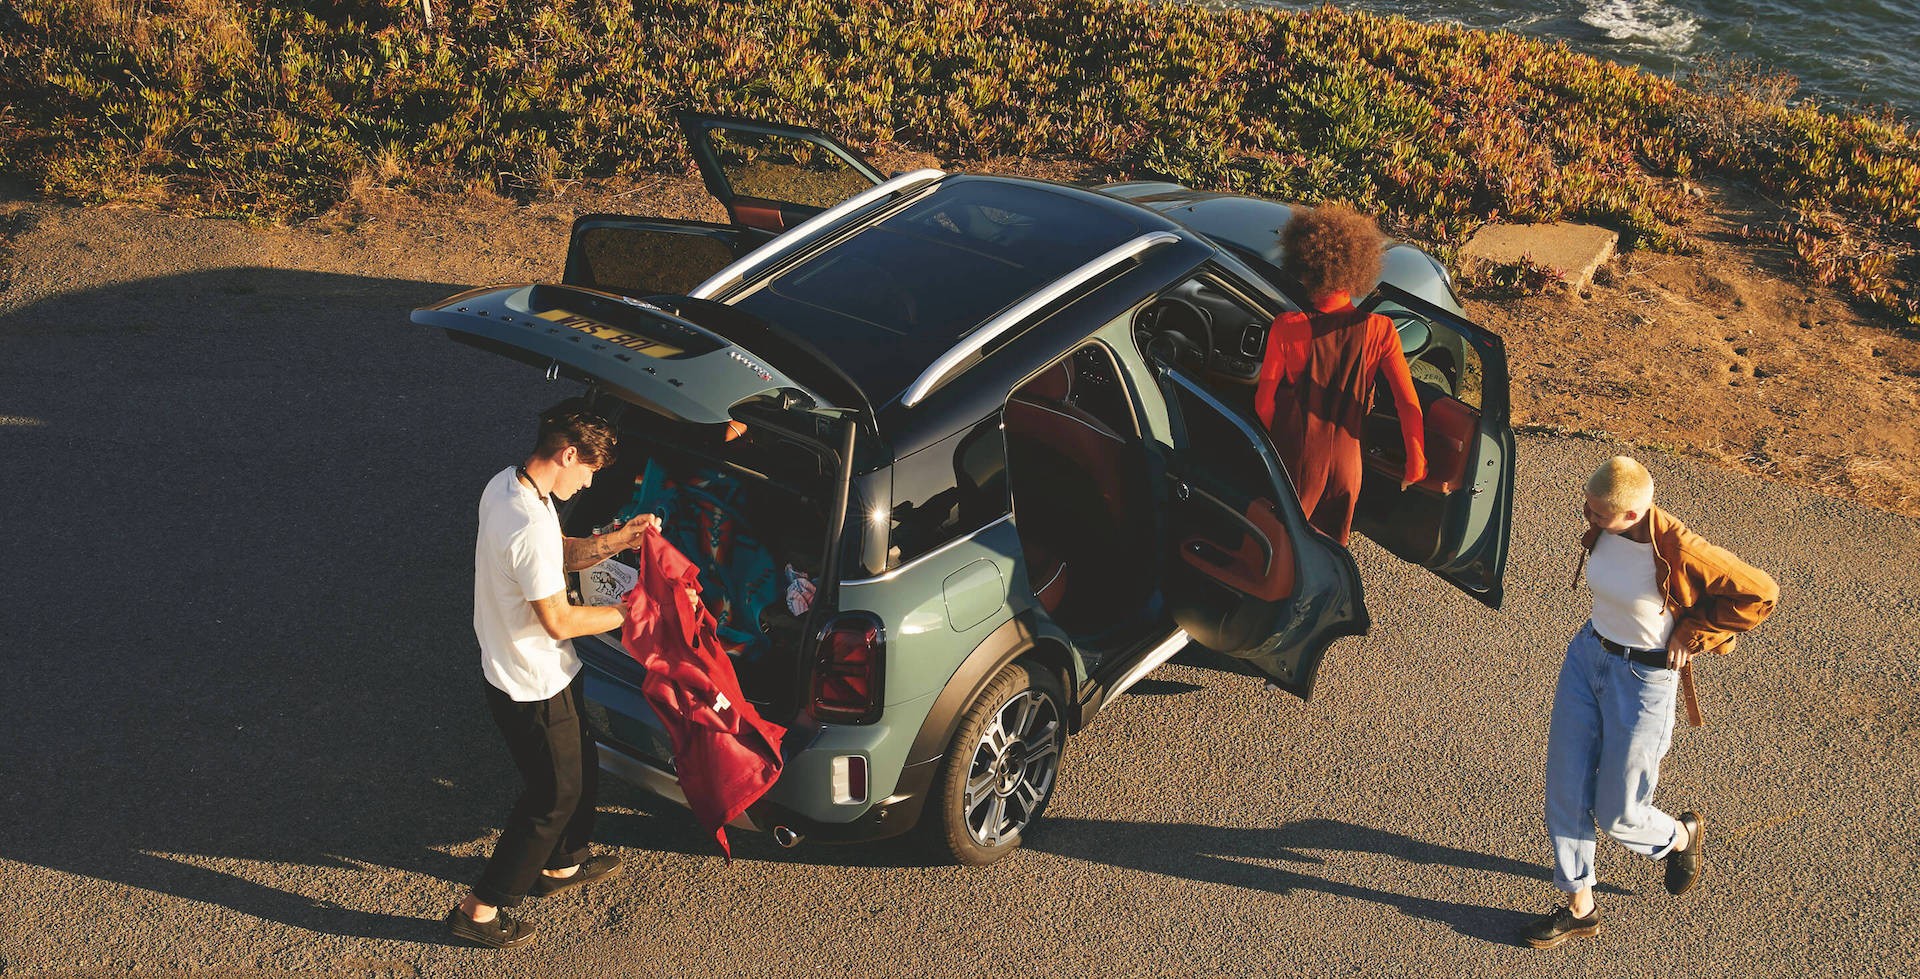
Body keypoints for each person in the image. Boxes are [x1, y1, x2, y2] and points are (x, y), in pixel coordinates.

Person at [1524, 456, 1778, 949]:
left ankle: (1680, 837)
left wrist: (1693, 630)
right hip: (1587, 657)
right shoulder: (1603, 526)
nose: (1587, 517)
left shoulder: (1680, 548)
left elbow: (1761, 593)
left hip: (1644, 678)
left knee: (1619, 813)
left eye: (1598, 513)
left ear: (1633, 514)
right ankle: (1580, 905)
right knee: (1565, 788)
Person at [447, 399, 660, 950]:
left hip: (534, 671)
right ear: (568, 454)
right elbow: (560, 619)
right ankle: (481, 908)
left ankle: (566, 863)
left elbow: (554, 554)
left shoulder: (509, 487)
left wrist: (619, 541)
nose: (589, 484)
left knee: (581, 762)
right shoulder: (525, 525)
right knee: (552, 798)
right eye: (589, 470)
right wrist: (637, 611)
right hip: (531, 683)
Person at [1254, 203, 1426, 545]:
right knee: (1331, 548)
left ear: (1305, 267)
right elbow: (1408, 404)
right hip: (1349, 465)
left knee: (1287, 547)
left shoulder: (1288, 327)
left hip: (1299, 460)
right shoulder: (1381, 329)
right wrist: (1416, 460)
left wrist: (1282, 442)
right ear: (1358, 270)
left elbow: (1263, 403)